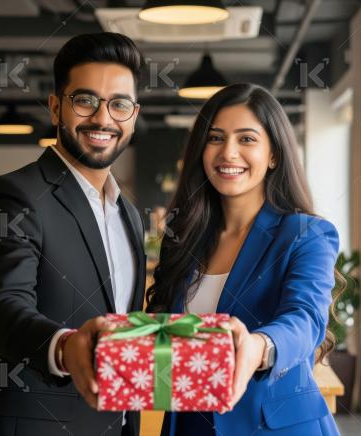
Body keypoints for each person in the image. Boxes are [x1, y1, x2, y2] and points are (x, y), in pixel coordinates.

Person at [0, 32, 146, 436]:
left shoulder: (130, 215)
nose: (103, 119)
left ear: (133, 115)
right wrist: (66, 346)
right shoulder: (14, 195)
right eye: (85, 101)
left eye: (119, 105)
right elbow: (1, 309)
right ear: (55, 107)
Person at [146, 83, 342, 435]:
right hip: (191, 424)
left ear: (274, 155)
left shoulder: (305, 234)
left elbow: (305, 318)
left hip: (274, 428)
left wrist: (258, 345)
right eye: (216, 138)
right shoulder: (183, 239)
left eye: (247, 139)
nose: (228, 153)